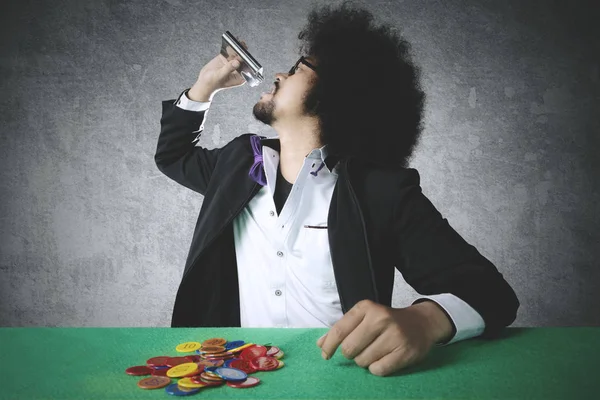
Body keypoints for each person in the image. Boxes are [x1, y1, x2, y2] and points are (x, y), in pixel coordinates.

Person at [155, 1, 519, 377]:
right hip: (242, 378)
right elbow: (173, 155)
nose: (280, 73)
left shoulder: (381, 193)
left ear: (336, 95)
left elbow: (490, 292)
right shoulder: (236, 164)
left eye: (298, 68)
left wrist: (424, 322)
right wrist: (204, 87)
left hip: (342, 381)